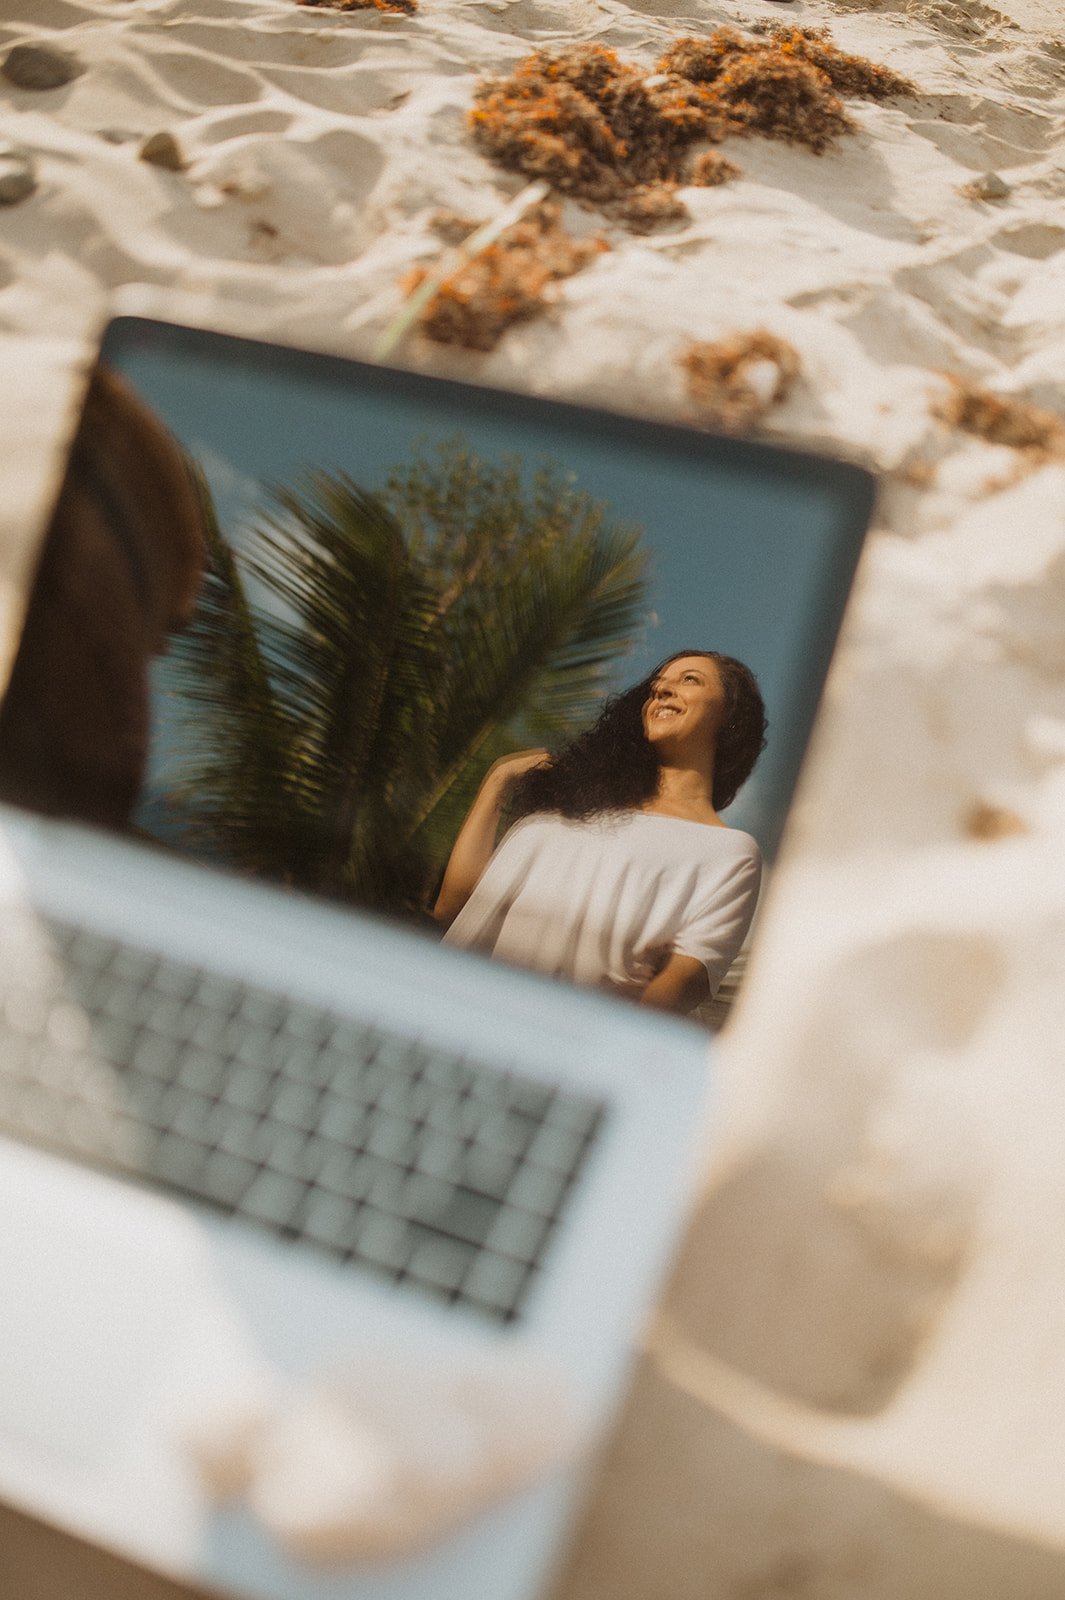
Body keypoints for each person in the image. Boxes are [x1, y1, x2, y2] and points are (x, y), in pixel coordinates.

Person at [434, 650, 767, 1015]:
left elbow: (668, 998)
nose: (662, 690)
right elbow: (454, 909)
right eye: (658, 684)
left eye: (690, 679)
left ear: (731, 717)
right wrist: (498, 781)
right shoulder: (577, 809)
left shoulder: (729, 852)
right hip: (452, 1013)